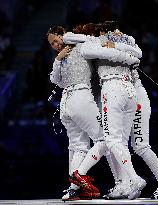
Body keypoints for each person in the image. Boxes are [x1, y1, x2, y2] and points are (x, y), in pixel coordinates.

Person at [46, 25, 140, 200]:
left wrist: (60, 56)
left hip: (66, 103)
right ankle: (79, 175)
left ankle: (73, 190)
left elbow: (55, 81)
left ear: (64, 35)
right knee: (104, 139)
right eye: (52, 44)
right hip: (79, 97)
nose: (55, 45)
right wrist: (130, 58)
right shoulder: (83, 47)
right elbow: (55, 80)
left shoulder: (78, 43)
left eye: (56, 40)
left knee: (77, 147)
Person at [97, 21, 158, 200]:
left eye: (102, 33)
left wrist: (117, 41)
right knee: (121, 144)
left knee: (140, 146)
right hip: (127, 96)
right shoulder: (106, 47)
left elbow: (138, 52)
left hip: (137, 97)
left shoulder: (125, 41)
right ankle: (128, 184)